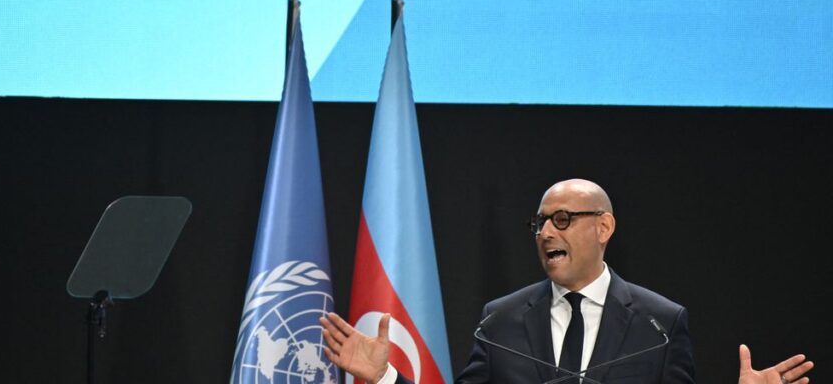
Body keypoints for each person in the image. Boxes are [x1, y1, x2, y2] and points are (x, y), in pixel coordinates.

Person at [320, 179, 814, 384]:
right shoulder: (502, 319)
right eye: (540, 224)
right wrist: (383, 377)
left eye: (562, 219)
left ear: (604, 227)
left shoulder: (660, 323)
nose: (546, 234)